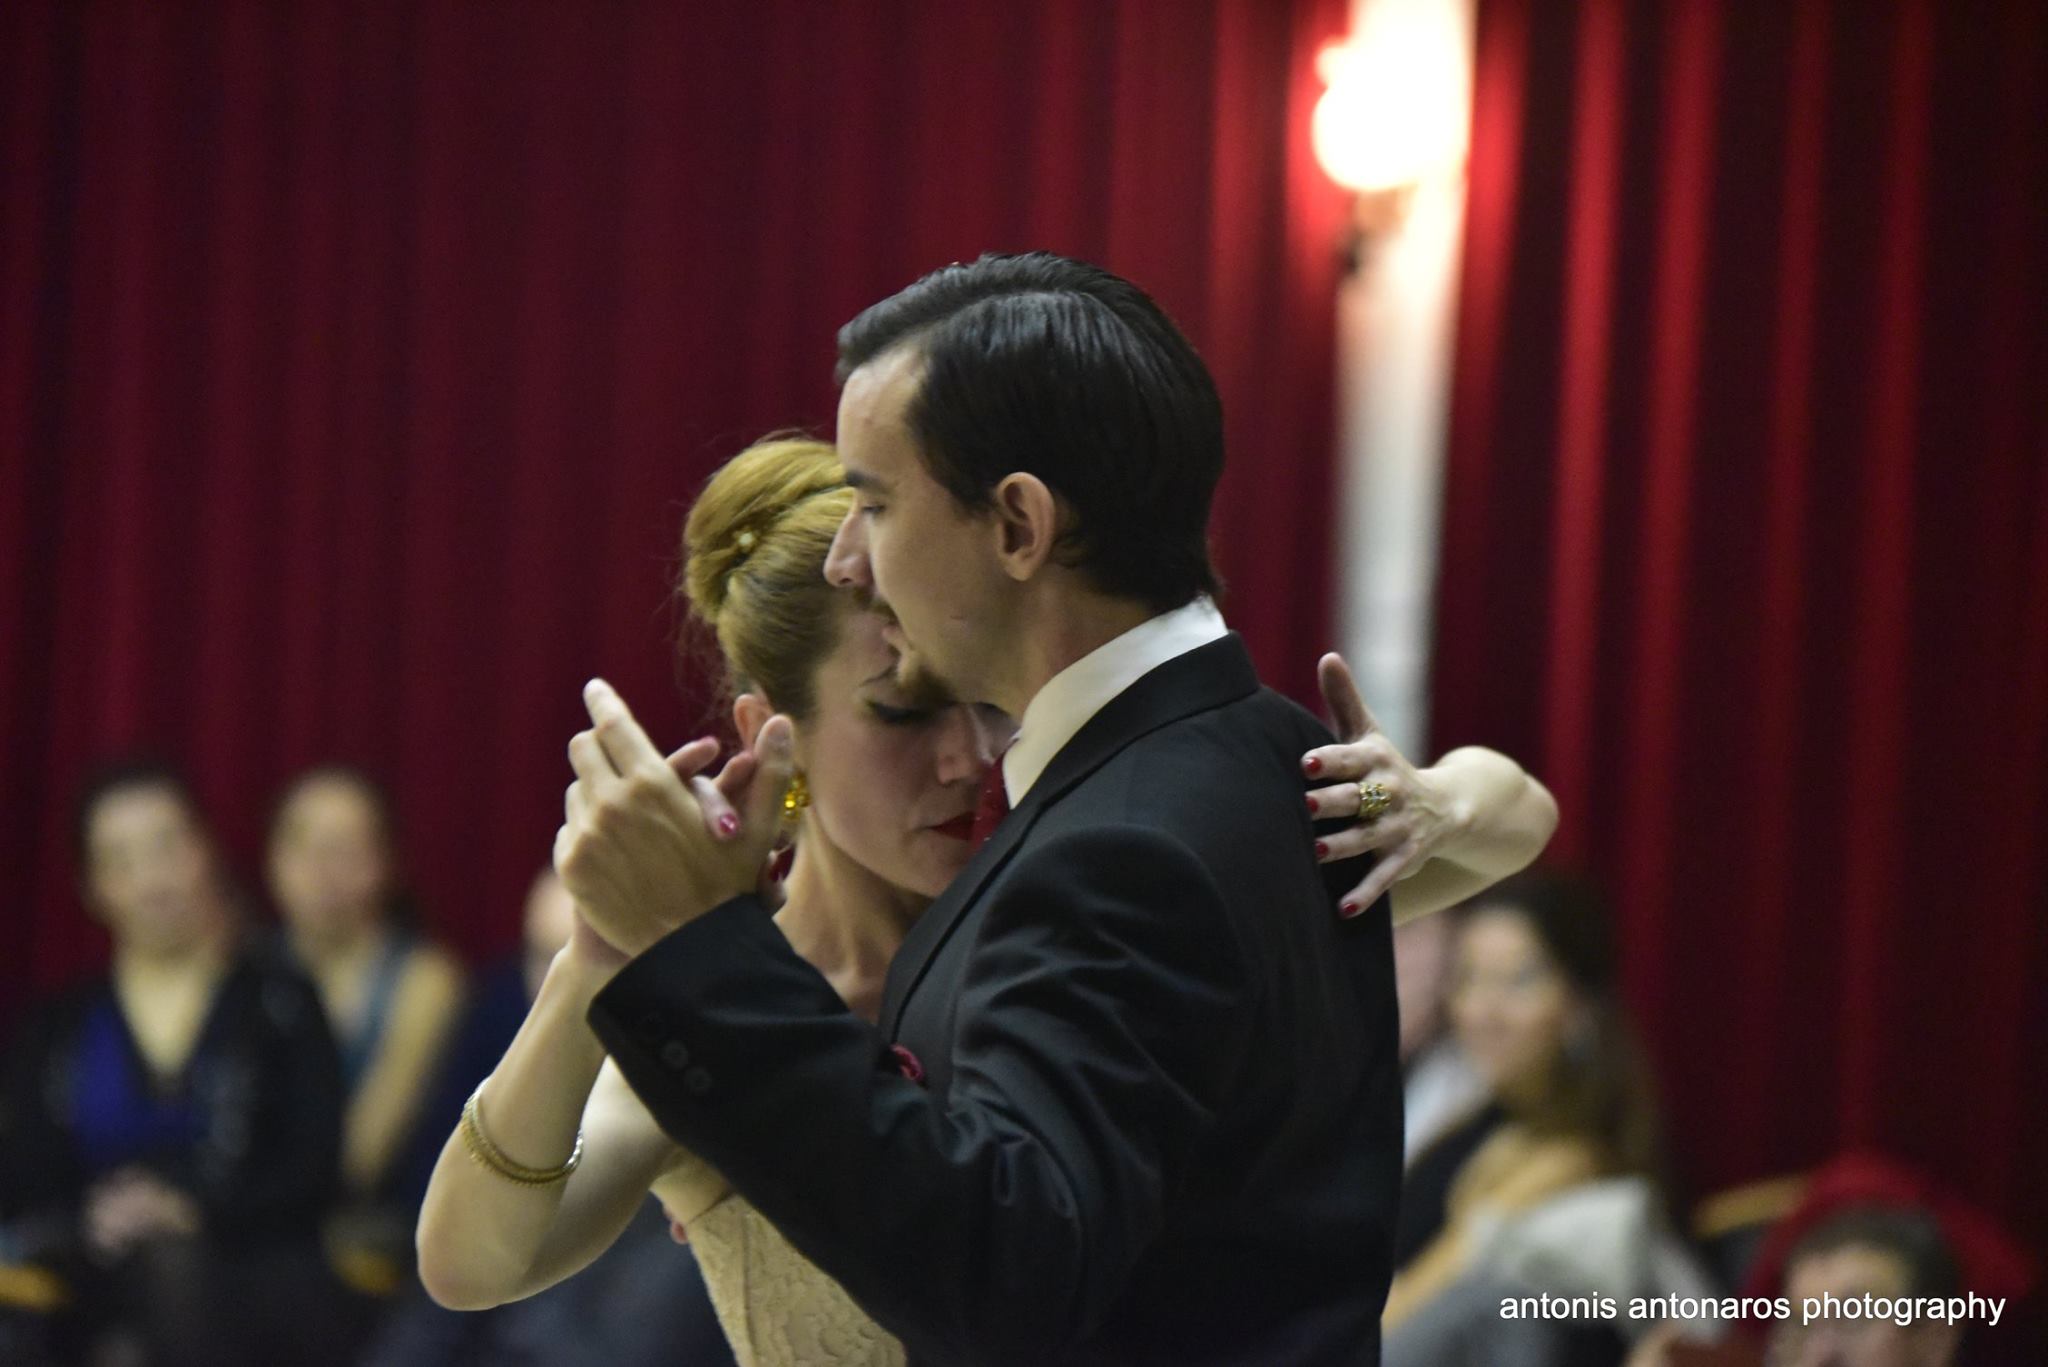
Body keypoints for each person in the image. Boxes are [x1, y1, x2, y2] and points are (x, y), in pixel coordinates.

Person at [551, 253, 1556, 1364]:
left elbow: (1004, 1266)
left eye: (875, 505)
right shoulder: (1268, 749)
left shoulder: (1119, 846)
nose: (847, 560)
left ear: (1018, 526)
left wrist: (703, 947)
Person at [0, 758, 351, 1366]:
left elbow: (314, 1167)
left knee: (178, 1272)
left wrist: (191, 1210)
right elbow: (24, 1173)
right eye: (121, 861)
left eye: (166, 847)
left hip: (251, 1266)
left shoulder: (280, 1002)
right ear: (91, 886)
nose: (151, 880)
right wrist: (94, 1216)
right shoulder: (56, 1025)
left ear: (205, 851)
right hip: (86, 1273)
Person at [1383, 871, 1706, 1367]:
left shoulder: (1577, 1160)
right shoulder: (1472, 1126)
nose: (1483, 1010)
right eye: (1468, 979)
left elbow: (1420, 1306)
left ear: (1579, 1004)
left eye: (1519, 981)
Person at [268, 766, 465, 1217]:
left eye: (344, 848)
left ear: (387, 861)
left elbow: (361, 1159)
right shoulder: (242, 969)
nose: (321, 869)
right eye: (303, 844)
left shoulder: (425, 980)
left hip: (375, 1224)